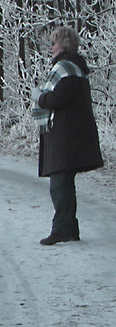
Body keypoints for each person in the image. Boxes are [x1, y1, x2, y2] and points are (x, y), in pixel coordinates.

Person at [31, 26, 104, 245]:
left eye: (53, 43)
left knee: (59, 184)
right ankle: (69, 228)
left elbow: (60, 99)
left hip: (66, 134)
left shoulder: (65, 68)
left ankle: (63, 229)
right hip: (74, 133)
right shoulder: (76, 67)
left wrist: (40, 98)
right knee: (64, 183)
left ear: (63, 44)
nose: (51, 47)